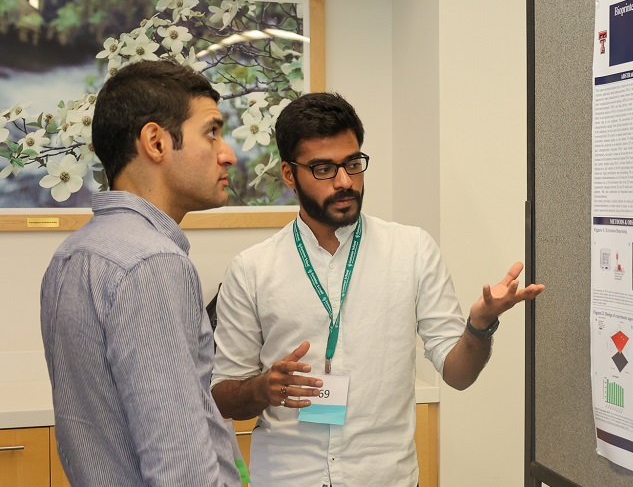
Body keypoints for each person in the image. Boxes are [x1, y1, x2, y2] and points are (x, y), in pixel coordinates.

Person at [210, 92, 544, 486]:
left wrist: (479, 327)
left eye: (353, 163)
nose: (344, 181)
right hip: (288, 476)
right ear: (289, 175)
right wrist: (263, 389)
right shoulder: (251, 270)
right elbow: (222, 397)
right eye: (323, 169)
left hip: (385, 476)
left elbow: (458, 375)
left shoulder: (412, 250)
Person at [40, 60, 241, 486]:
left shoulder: (73, 254)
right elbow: (180, 468)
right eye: (212, 132)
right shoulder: (153, 264)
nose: (228, 154)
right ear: (156, 141)